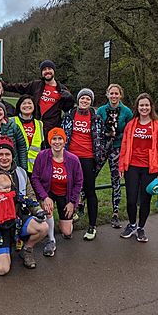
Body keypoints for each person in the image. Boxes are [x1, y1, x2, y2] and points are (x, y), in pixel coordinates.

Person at [0, 136, 48, 274]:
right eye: (0, 154)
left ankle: (26, 250)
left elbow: (29, 196)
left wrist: (38, 211)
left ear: (13, 156)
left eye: (7, 154)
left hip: (17, 219)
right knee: (3, 270)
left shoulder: (21, 173)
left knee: (43, 227)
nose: (4, 158)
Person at [119, 93, 158, 243]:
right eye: (141, 105)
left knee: (145, 200)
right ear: (137, 107)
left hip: (150, 168)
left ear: (151, 107)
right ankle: (132, 225)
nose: (144, 108)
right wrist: (121, 166)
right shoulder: (131, 124)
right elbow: (124, 146)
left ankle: (141, 228)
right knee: (131, 199)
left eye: (147, 105)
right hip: (132, 166)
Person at [32, 127, 83, 257]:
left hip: (66, 194)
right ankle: (51, 240)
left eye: (60, 138)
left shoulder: (73, 159)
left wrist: (72, 202)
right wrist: (44, 197)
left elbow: (78, 182)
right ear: (49, 141)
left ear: (64, 141)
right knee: (47, 208)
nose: (57, 142)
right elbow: (35, 178)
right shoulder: (42, 156)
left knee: (66, 232)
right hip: (49, 191)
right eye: (54, 139)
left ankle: (69, 219)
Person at [62, 88, 106, 240]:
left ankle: (92, 226)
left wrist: (98, 157)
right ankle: (68, 220)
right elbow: (63, 135)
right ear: (78, 100)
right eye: (82, 98)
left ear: (91, 102)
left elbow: (101, 139)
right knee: (69, 189)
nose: (84, 101)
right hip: (70, 157)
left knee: (90, 191)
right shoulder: (69, 116)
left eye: (88, 99)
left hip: (88, 158)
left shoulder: (96, 118)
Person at [2, 60, 74, 141]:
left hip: (52, 127)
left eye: (49, 69)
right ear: (41, 73)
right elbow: (20, 87)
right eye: (44, 69)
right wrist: (4, 86)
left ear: (54, 71)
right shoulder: (36, 85)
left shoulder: (62, 90)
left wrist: (70, 99)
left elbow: (68, 109)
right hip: (35, 125)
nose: (47, 71)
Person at [96, 83, 133, 229]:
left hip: (117, 149)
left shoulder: (126, 112)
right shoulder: (101, 110)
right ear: (107, 94)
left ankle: (115, 212)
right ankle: (81, 204)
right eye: (111, 93)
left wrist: (118, 135)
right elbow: (96, 129)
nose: (114, 96)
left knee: (116, 179)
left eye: (116, 93)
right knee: (91, 175)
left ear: (120, 95)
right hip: (102, 148)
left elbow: (130, 131)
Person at [0, 101, 28, 170]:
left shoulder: (13, 127)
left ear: (4, 112)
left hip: (10, 166)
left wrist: (23, 168)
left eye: (0, 109)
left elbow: (22, 148)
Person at [12, 95, 44, 175]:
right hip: (16, 166)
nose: (27, 105)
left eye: (30, 103)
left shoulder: (39, 124)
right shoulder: (12, 121)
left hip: (35, 168)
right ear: (19, 106)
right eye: (24, 103)